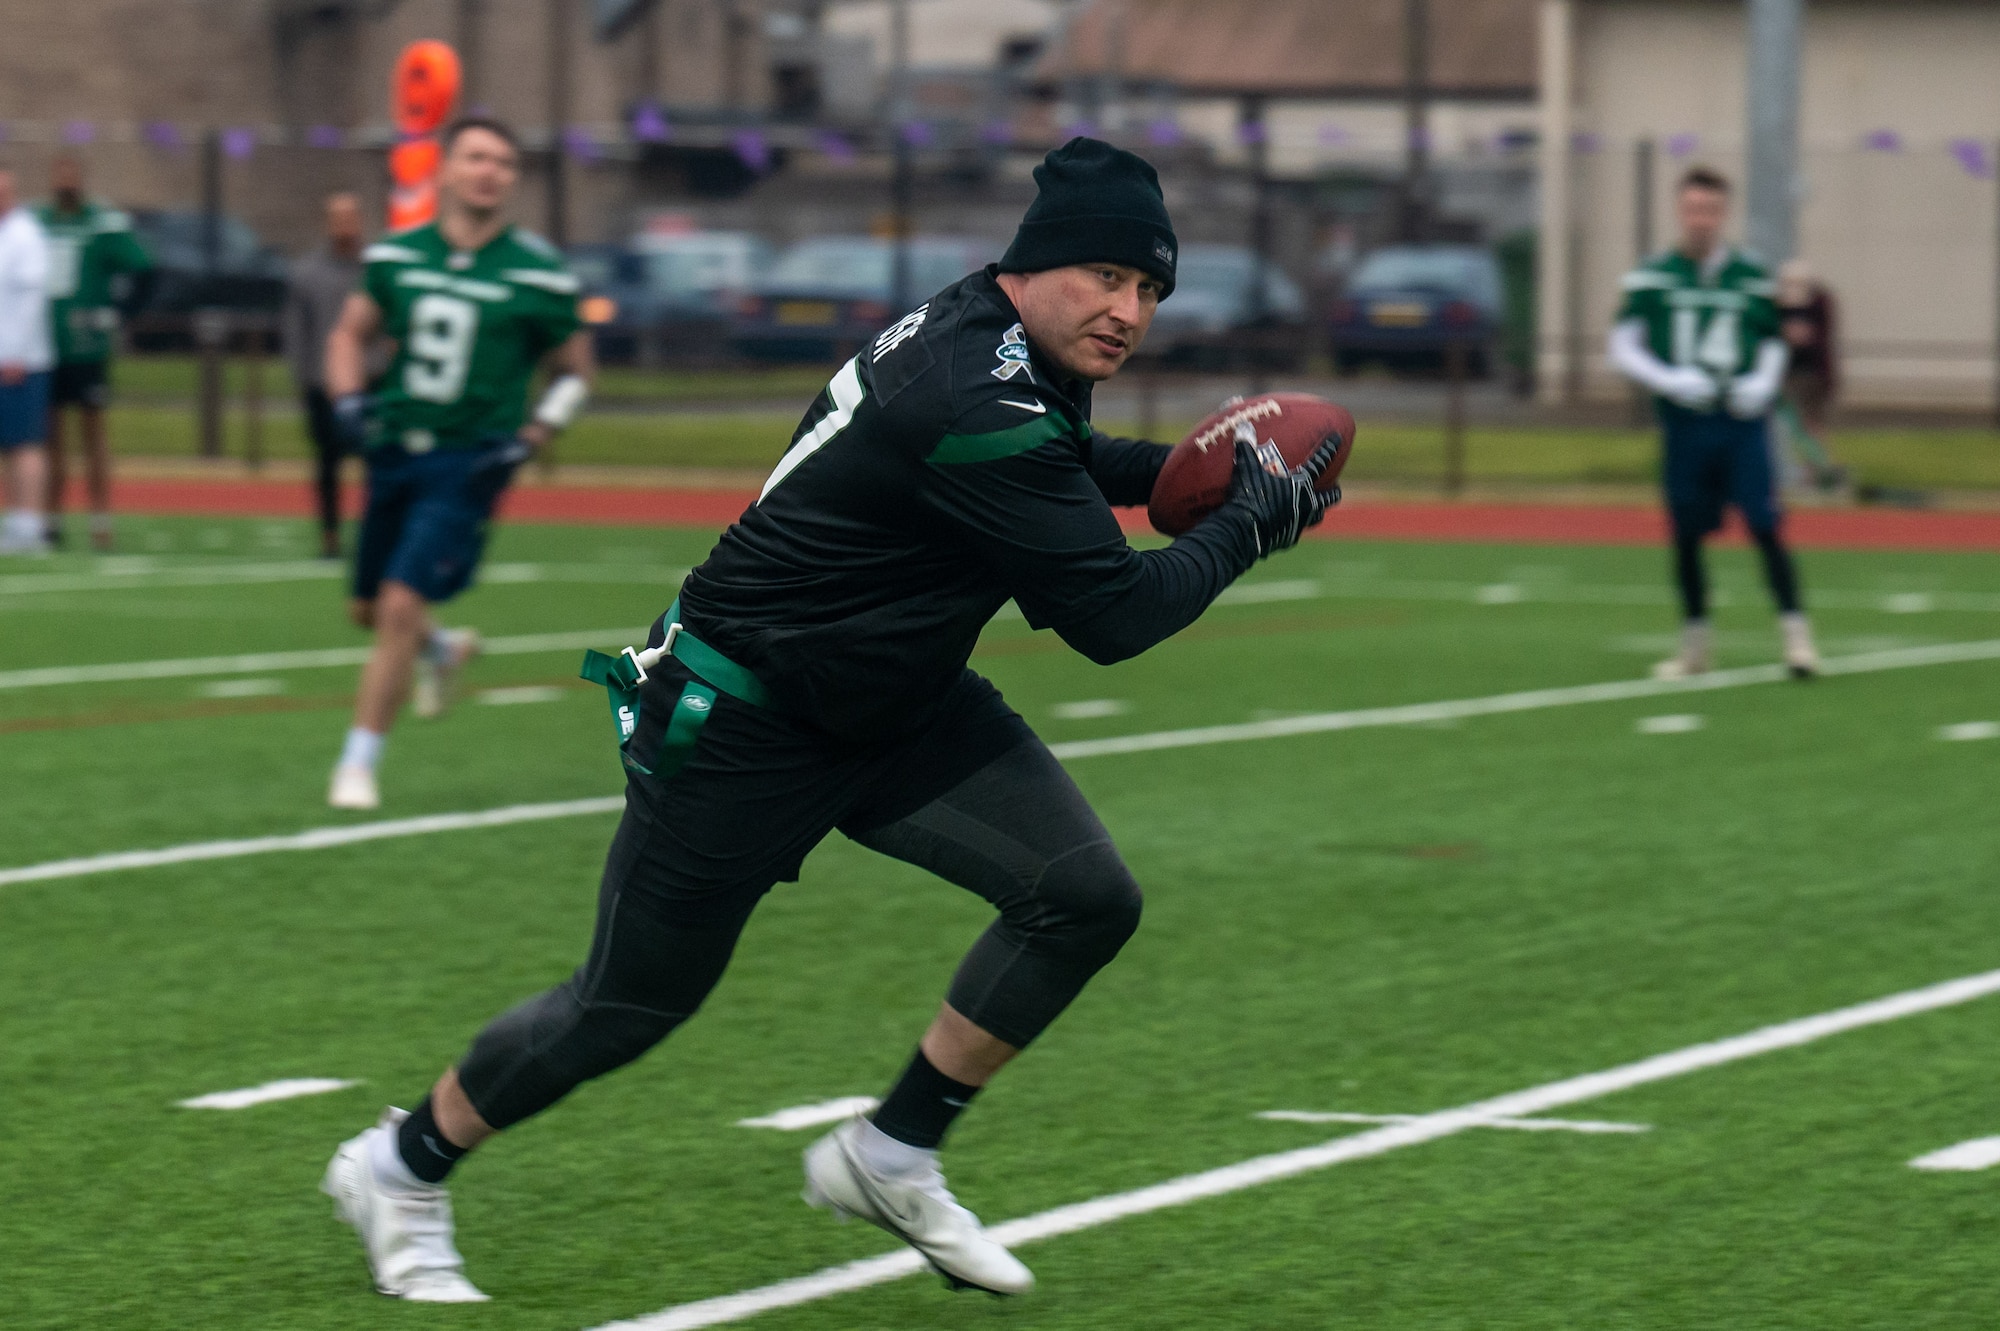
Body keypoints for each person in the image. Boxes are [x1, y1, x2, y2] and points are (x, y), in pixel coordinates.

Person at [318, 137, 1341, 1303]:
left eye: (1150, 288)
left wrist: (1192, 474)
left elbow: (1060, 455)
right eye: (1106, 276)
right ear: (1036, 263)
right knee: (627, 1001)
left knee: (1081, 894)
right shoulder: (974, 388)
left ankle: (889, 1151)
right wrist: (1244, 522)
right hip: (743, 712)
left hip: (888, 697)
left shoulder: (991, 337)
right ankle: (398, 1164)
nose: (1127, 311)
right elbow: (1111, 614)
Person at [322, 118, 594, 811]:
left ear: (513, 179)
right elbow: (349, 334)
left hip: (467, 462)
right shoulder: (398, 256)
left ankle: (358, 761)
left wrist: (534, 434)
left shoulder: (536, 270)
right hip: (394, 447)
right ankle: (441, 650)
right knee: (366, 607)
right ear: (445, 168)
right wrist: (349, 399)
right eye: (475, 157)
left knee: (399, 603)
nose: (488, 171)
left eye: (503, 161)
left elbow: (575, 372)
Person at [1608, 165, 1818, 680]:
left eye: (1710, 210)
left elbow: (1772, 339)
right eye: (1692, 209)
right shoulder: (1654, 274)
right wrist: (1668, 379)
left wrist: (1763, 384)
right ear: (1680, 211)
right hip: (1686, 424)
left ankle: (1797, 640)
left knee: (1766, 525)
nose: (1700, 219)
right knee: (1685, 534)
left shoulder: (1749, 274)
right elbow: (1622, 345)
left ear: (1723, 214)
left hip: (1740, 423)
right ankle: (1695, 645)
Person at [36, 153, 154, 551]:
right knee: (50, 437)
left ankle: (100, 517)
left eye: (71, 172)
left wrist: (119, 314)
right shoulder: (38, 222)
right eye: (59, 172)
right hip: (47, 347)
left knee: (93, 435)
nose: (65, 180)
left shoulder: (101, 222)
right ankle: (50, 518)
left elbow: (144, 268)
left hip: (88, 348)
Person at [285, 191, 367, 559]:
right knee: (328, 462)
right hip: (323, 383)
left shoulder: (374, 271)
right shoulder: (308, 272)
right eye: (338, 218)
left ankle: (374, 534)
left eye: (350, 217)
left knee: (378, 464)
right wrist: (306, 377)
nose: (344, 225)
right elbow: (297, 329)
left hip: (369, 381)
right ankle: (330, 535)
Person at [0, 164, 53, 557]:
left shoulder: (26, 235)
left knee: (25, 442)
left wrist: (15, 352)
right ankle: (16, 521)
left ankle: (30, 524)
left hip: (21, 361)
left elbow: (32, 300)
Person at [1774, 258, 1843, 490]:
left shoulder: (1819, 303)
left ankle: (1819, 471)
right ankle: (1810, 471)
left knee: (1811, 425)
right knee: (1796, 425)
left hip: (1813, 374)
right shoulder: (1781, 304)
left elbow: (1814, 339)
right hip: (1791, 374)